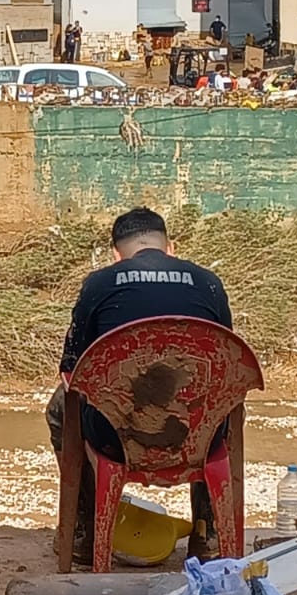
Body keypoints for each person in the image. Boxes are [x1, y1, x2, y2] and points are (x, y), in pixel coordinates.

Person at [47, 208, 233, 564]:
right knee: (215, 402)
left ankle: (83, 537)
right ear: (170, 248)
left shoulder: (99, 283)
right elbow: (225, 365)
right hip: (196, 437)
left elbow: (73, 369)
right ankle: (207, 537)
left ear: (116, 254)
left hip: (116, 438)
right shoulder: (209, 283)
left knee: (60, 408)